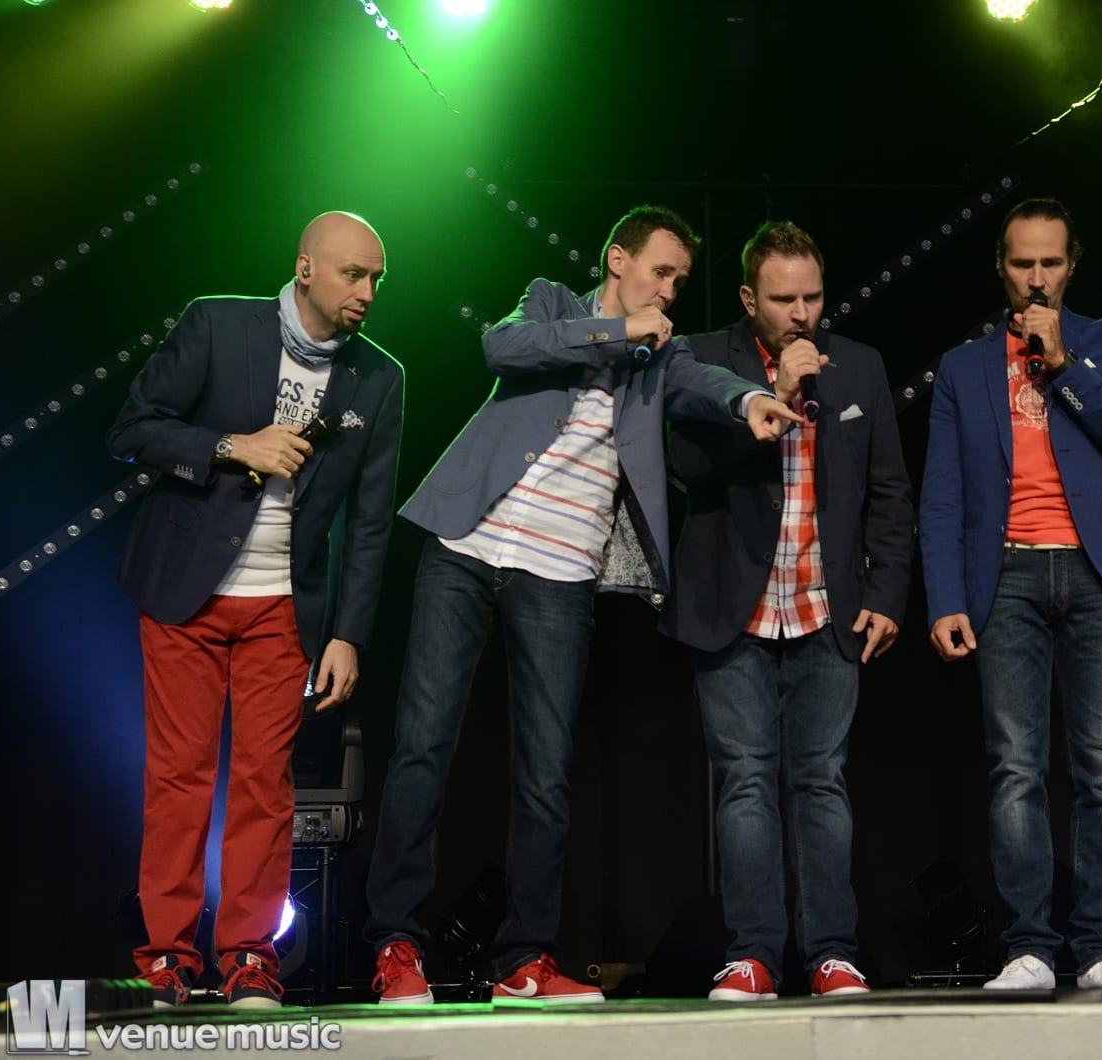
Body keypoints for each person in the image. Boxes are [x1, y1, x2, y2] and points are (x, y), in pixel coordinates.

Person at [363, 205, 800, 1006]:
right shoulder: (553, 304)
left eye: (679, 282)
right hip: (466, 546)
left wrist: (749, 402)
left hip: (560, 571)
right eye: (660, 272)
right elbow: (504, 346)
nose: (669, 292)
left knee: (546, 770)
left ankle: (523, 958)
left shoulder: (662, 355)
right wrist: (617, 332)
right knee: (423, 745)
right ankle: (396, 944)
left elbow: (704, 382)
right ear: (616, 260)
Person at [108, 212, 404, 1008]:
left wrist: (348, 633)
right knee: (179, 775)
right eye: (353, 274)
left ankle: (248, 955)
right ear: (306, 269)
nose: (368, 291)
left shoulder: (379, 377)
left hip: (284, 607)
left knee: (264, 783)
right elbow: (132, 429)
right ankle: (167, 957)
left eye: (377, 278)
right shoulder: (217, 324)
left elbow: (370, 521)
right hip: (187, 592)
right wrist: (233, 446)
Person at [918, 198, 1102, 991]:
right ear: (1002, 269)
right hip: (1008, 574)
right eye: (1023, 263)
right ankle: (1029, 945)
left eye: (1050, 263)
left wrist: (1063, 365)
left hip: (1096, 571)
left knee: (1101, 767)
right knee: (1015, 769)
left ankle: (1100, 946)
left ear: (1071, 266)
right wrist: (945, 597)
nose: (1037, 279)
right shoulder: (964, 368)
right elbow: (942, 495)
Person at [660, 221, 914, 1000]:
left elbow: (889, 491)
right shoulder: (702, 358)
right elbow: (682, 463)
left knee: (821, 780)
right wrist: (778, 400)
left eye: (813, 296)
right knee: (744, 780)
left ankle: (833, 951)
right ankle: (754, 955)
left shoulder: (860, 366)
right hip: (731, 604)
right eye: (783, 299)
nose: (801, 313)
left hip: (826, 607)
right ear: (749, 298)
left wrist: (886, 595)